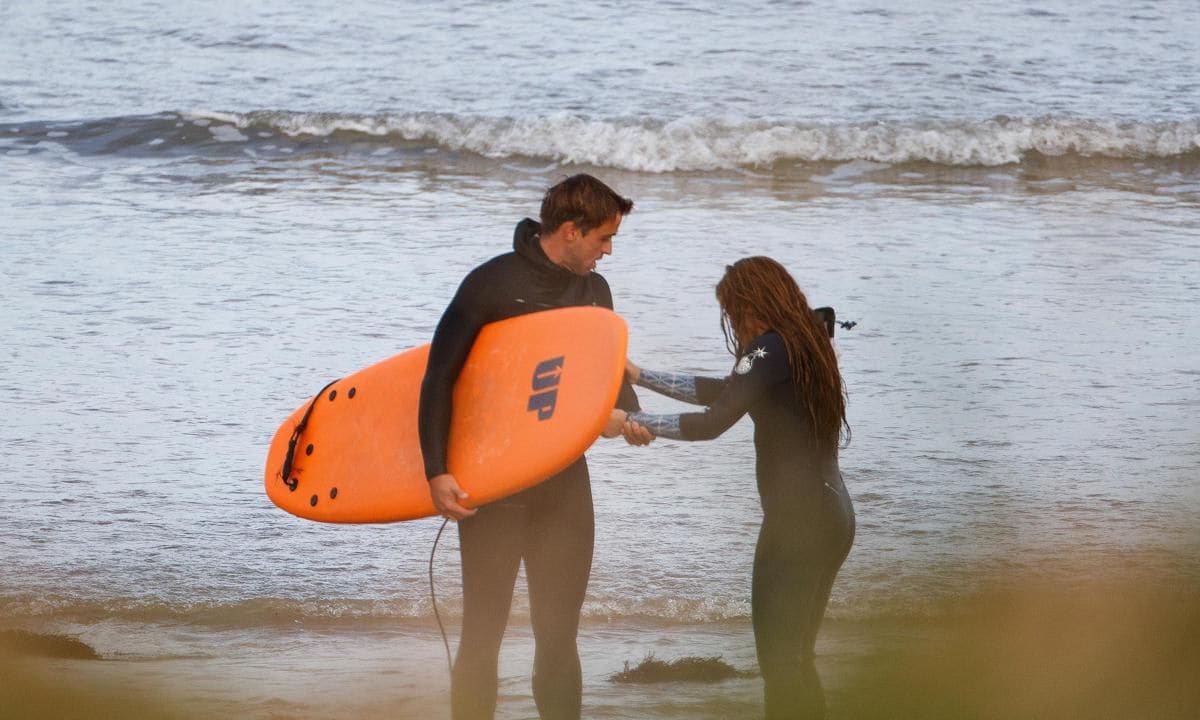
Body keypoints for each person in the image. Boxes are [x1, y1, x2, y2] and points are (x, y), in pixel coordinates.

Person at [418, 174, 652, 720]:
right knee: (483, 634)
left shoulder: (596, 293)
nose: (609, 251)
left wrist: (634, 414)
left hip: (564, 489)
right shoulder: (491, 286)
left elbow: (606, 375)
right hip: (494, 490)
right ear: (571, 231)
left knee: (558, 636)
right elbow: (438, 379)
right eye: (603, 239)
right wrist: (437, 471)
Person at [619, 256, 855, 720]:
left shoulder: (767, 349)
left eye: (731, 311)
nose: (732, 323)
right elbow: (727, 392)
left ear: (748, 306)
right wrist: (641, 376)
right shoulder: (804, 345)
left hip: (797, 523)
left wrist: (629, 421)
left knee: (779, 663)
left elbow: (712, 423)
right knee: (796, 659)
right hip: (834, 515)